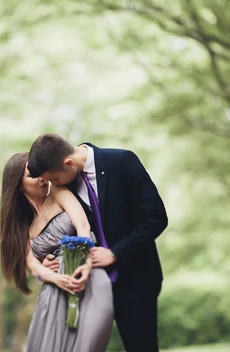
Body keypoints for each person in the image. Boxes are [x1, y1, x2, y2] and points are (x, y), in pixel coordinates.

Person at [27, 134, 168, 352]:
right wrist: (47, 263)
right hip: (86, 287)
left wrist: (115, 253)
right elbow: (64, 229)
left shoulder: (122, 161)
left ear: (69, 163)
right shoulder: (67, 185)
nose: (52, 186)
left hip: (134, 278)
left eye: (54, 180)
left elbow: (156, 218)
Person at [0, 152, 113, 352]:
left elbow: (83, 226)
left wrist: (86, 263)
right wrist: (54, 277)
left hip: (89, 276)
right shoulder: (23, 227)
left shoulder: (58, 192)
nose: (42, 178)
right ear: (18, 185)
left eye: (41, 172)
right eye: (32, 175)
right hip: (55, 290)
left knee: (90, 343)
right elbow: (33, 265)